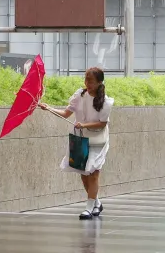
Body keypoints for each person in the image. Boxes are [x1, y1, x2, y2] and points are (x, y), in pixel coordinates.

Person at [40, 67, 114, 220]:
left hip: (98, 141)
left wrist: (84, 125)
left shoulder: (106, 102)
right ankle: (96, 202)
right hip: (80, 139)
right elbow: (66, 113)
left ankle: (88, 207)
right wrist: (49, 108)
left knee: (93, 173)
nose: (88, 84)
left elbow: (102, 124)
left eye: (91, 81)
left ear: (100, 82)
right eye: (86, 80)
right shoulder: (79, 95)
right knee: (83, 174)